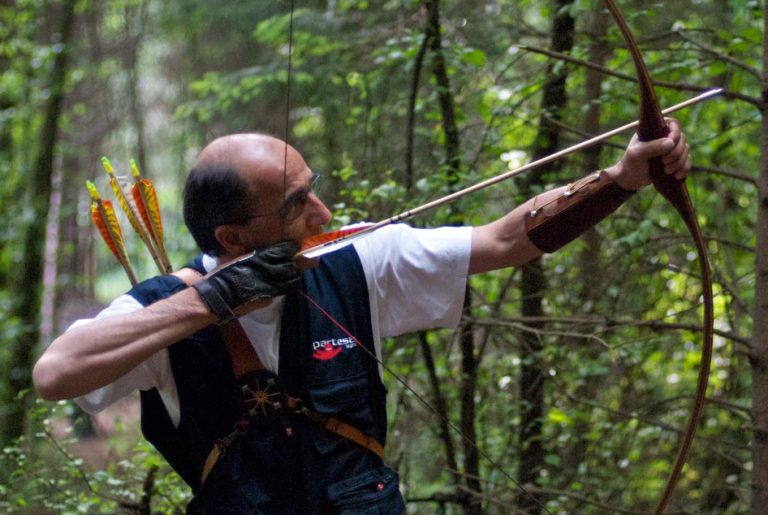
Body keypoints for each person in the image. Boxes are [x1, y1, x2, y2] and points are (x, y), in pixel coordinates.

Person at [33, 123, 690, 513]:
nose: (322, 213)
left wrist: (622, 178)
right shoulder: (165, 308)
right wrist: (212, 301)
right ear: (232, 238)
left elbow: (504, 241)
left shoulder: (356, 261)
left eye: (312, 189)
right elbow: (56, 373)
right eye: (296, 204)